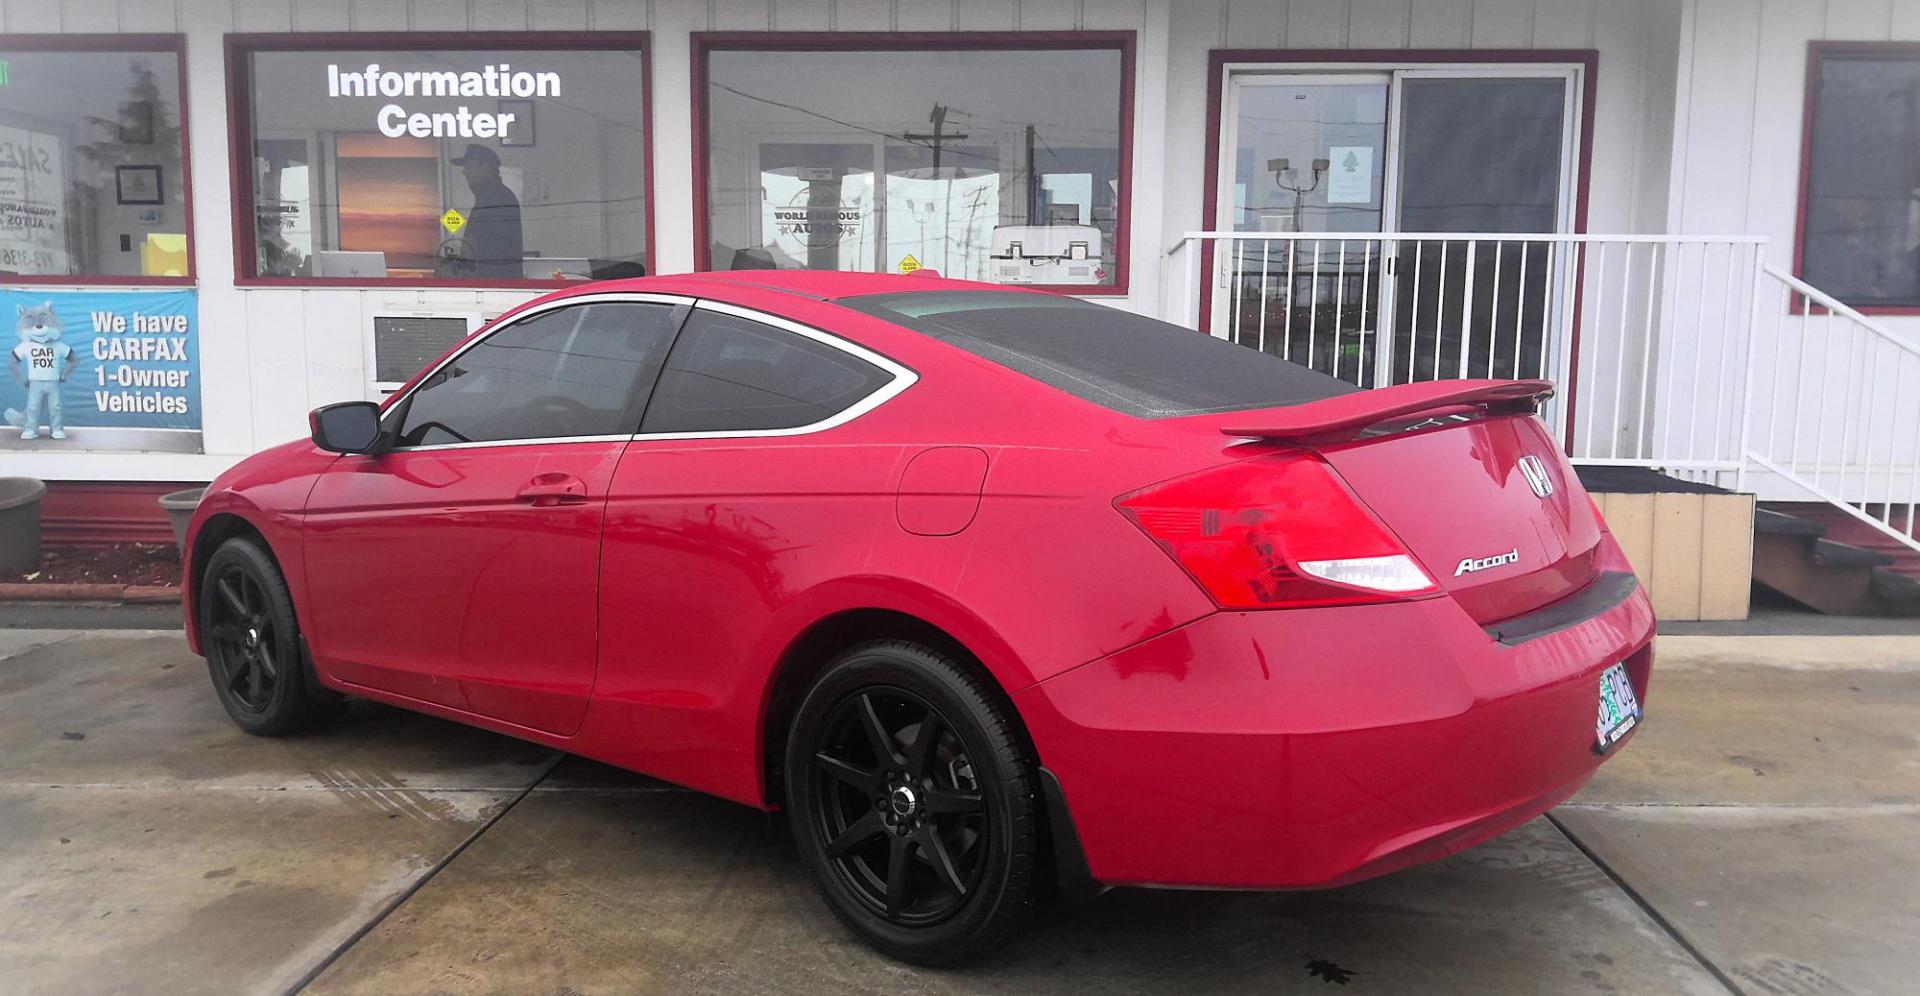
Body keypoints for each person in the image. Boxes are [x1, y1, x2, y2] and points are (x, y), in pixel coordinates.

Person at [451, 144, 523, 278]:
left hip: (493, 283)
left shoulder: (497, 198)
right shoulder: (490, 197)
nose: (464, 172)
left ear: (485, 167)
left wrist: (466, 272)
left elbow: (492, 250)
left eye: (470, 166)